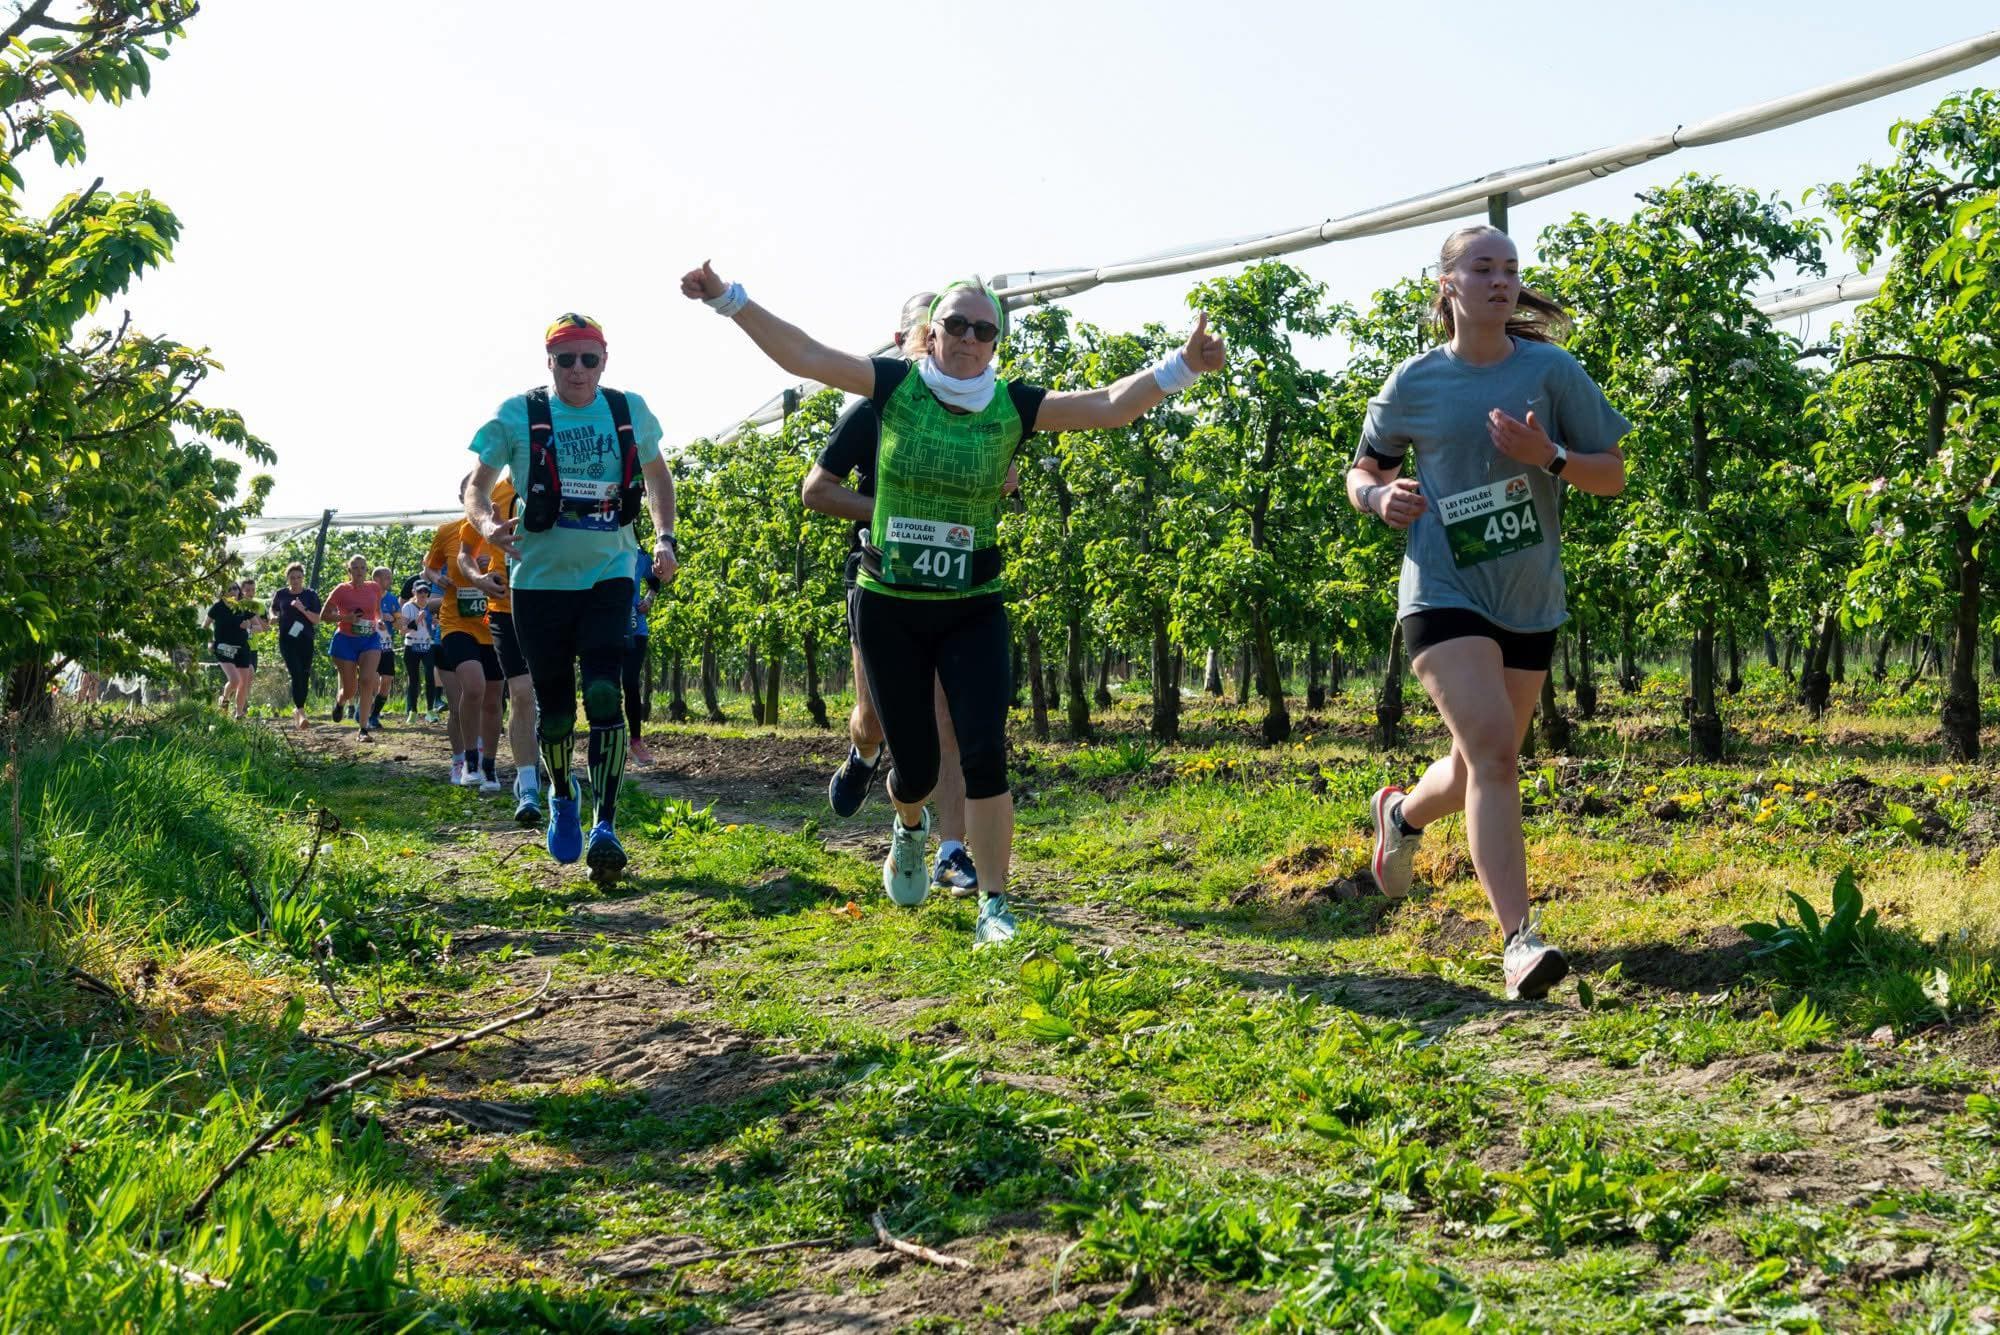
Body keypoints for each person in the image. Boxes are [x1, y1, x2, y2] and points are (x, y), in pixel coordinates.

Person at [684, 263, 1224, 947]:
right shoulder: (892, 387)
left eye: (984, 329)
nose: (970, 338)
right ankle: (909, 826)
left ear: (996, 343)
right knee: (916, 767)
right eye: (957, 325)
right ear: (928, 334)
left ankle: (994, 905)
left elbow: (1109, 404)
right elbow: (808, 356)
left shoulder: (1012, 405)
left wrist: (1182, 366)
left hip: (972, 602)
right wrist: (731, 301)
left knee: (984, 753)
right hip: (890, 604)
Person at [1347, 224, 1630, 1002]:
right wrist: (1378, 496)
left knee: (1478, 762)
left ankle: (1401, 815)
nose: (1501, 280)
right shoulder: (1414, 383)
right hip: (1442, 592)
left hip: (1528, 598)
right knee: (1498, 753)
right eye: (1483, 267)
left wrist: (1554, 460)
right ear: (1449, 284)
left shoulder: (1551, 372)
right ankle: (1519, 941)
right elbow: (1365, 465)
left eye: (1511, 269)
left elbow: (1612, 475)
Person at [801, 289, 1011, 897]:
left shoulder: (981, 410)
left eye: (978, 331)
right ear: (913, 341)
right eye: (940, 330)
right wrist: (895, 515)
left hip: (953, 588)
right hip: (882, 582)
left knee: (951, 719)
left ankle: (949, 849)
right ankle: (864, 755)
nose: (954, 342)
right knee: (876, 719)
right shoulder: (877, 405)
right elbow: (816, 490)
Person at [465, 313, 678, 877]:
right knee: (555, 712)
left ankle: (606, 824)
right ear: (550, 362)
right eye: (567, 360)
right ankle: (563, 795)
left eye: (590, 358)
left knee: (606, 691)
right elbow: (477, 485)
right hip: (538, 584)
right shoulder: (518, 414)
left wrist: (663, 539)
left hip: (610, 572)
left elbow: (658, 477)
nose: (579, 370)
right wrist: (487, 526)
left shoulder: (629, 409)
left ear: (605, 360)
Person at [460, 478, 542, 822]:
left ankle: (553, 770)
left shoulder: (563, 482)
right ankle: (528, 787)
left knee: (552, 699)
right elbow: (465, 553)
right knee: (521, 693)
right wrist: (478, 579)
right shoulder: (490, 495)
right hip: (505, 610)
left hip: (553, 607)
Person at [426, 481, 503, 791]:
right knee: (473, 687)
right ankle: (468, 760)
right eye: (473, 495)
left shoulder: (502, 531)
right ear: (463, 498)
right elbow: (429, 568)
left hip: (494, 621)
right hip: (456, 622)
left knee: (494, 699)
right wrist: (439, 579)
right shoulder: (448, 531)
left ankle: (490, 766)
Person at [324, 555, 385, 739]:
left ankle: (363, 729)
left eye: (362, 568)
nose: (359, 571)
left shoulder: (374, 587)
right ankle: (341, 701)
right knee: (350, 689)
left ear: (367, 570)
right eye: (355, 568)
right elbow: (324, 615)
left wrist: (380, 620)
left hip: (369, 639)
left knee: (367, 681)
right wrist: (345, 618)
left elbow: (377, 610)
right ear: (349, 571)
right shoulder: (341, 590)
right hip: (345, 641)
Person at [621, 547, 663, 768]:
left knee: (630, 682)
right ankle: (612, 740)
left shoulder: (639, 555)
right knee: (604, 685)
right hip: (604, 628)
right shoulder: (598, 546)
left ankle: (636, 742)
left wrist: (649, 599)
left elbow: (655, 580)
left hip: (635, 629)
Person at [271, 563, 323, 729]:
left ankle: (298, 710)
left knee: (304, 675)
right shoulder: (281, 594)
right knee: (296, 673)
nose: (295, 580)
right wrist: (273, 617)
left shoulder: (310, 595)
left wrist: (303, 609)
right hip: (287, 640)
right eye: (292, 577)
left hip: (306, 640)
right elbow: (273, 610)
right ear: (287, 578)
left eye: (298, 577)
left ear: (303, 578)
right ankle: (301, 712)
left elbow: (316, 619)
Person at [208, 579, 262, 719]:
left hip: (242, 648)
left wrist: (249, 626)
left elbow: (259, 627)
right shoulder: (217, 607)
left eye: (235, 588)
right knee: (235, 680)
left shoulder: (244, 607)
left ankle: (239, 714)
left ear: (239, 591)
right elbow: (204, 626)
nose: (233, 592)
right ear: (223, 593)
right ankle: (225, 698)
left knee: (243, 683)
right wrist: (209, 642)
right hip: (223, 648)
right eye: (229, 589)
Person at [399, 582, 438, 722]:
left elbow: (435, 627)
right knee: (414, 679)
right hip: (412, 646)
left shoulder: (432, 607)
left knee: (430, 677)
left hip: (428, 645)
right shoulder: (407, 607)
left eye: (425, 591)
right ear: (413, 592)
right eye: (420, 591)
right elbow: (402, 631)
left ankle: (430, 711)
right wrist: (416, 621)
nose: (423, 594)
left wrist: (435, 623)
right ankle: (413, 711)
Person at [369, 566, 400, 730]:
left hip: (387, 646)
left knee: (387, 680)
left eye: (390, 576)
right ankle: (366, 712)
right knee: (371, 679)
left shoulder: (393, 599)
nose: (390, 580)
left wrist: (393, 621)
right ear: (377, 580)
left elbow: (400, 624)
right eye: (387, 577)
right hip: (370, 645)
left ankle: (374, 714)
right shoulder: (367, 596)